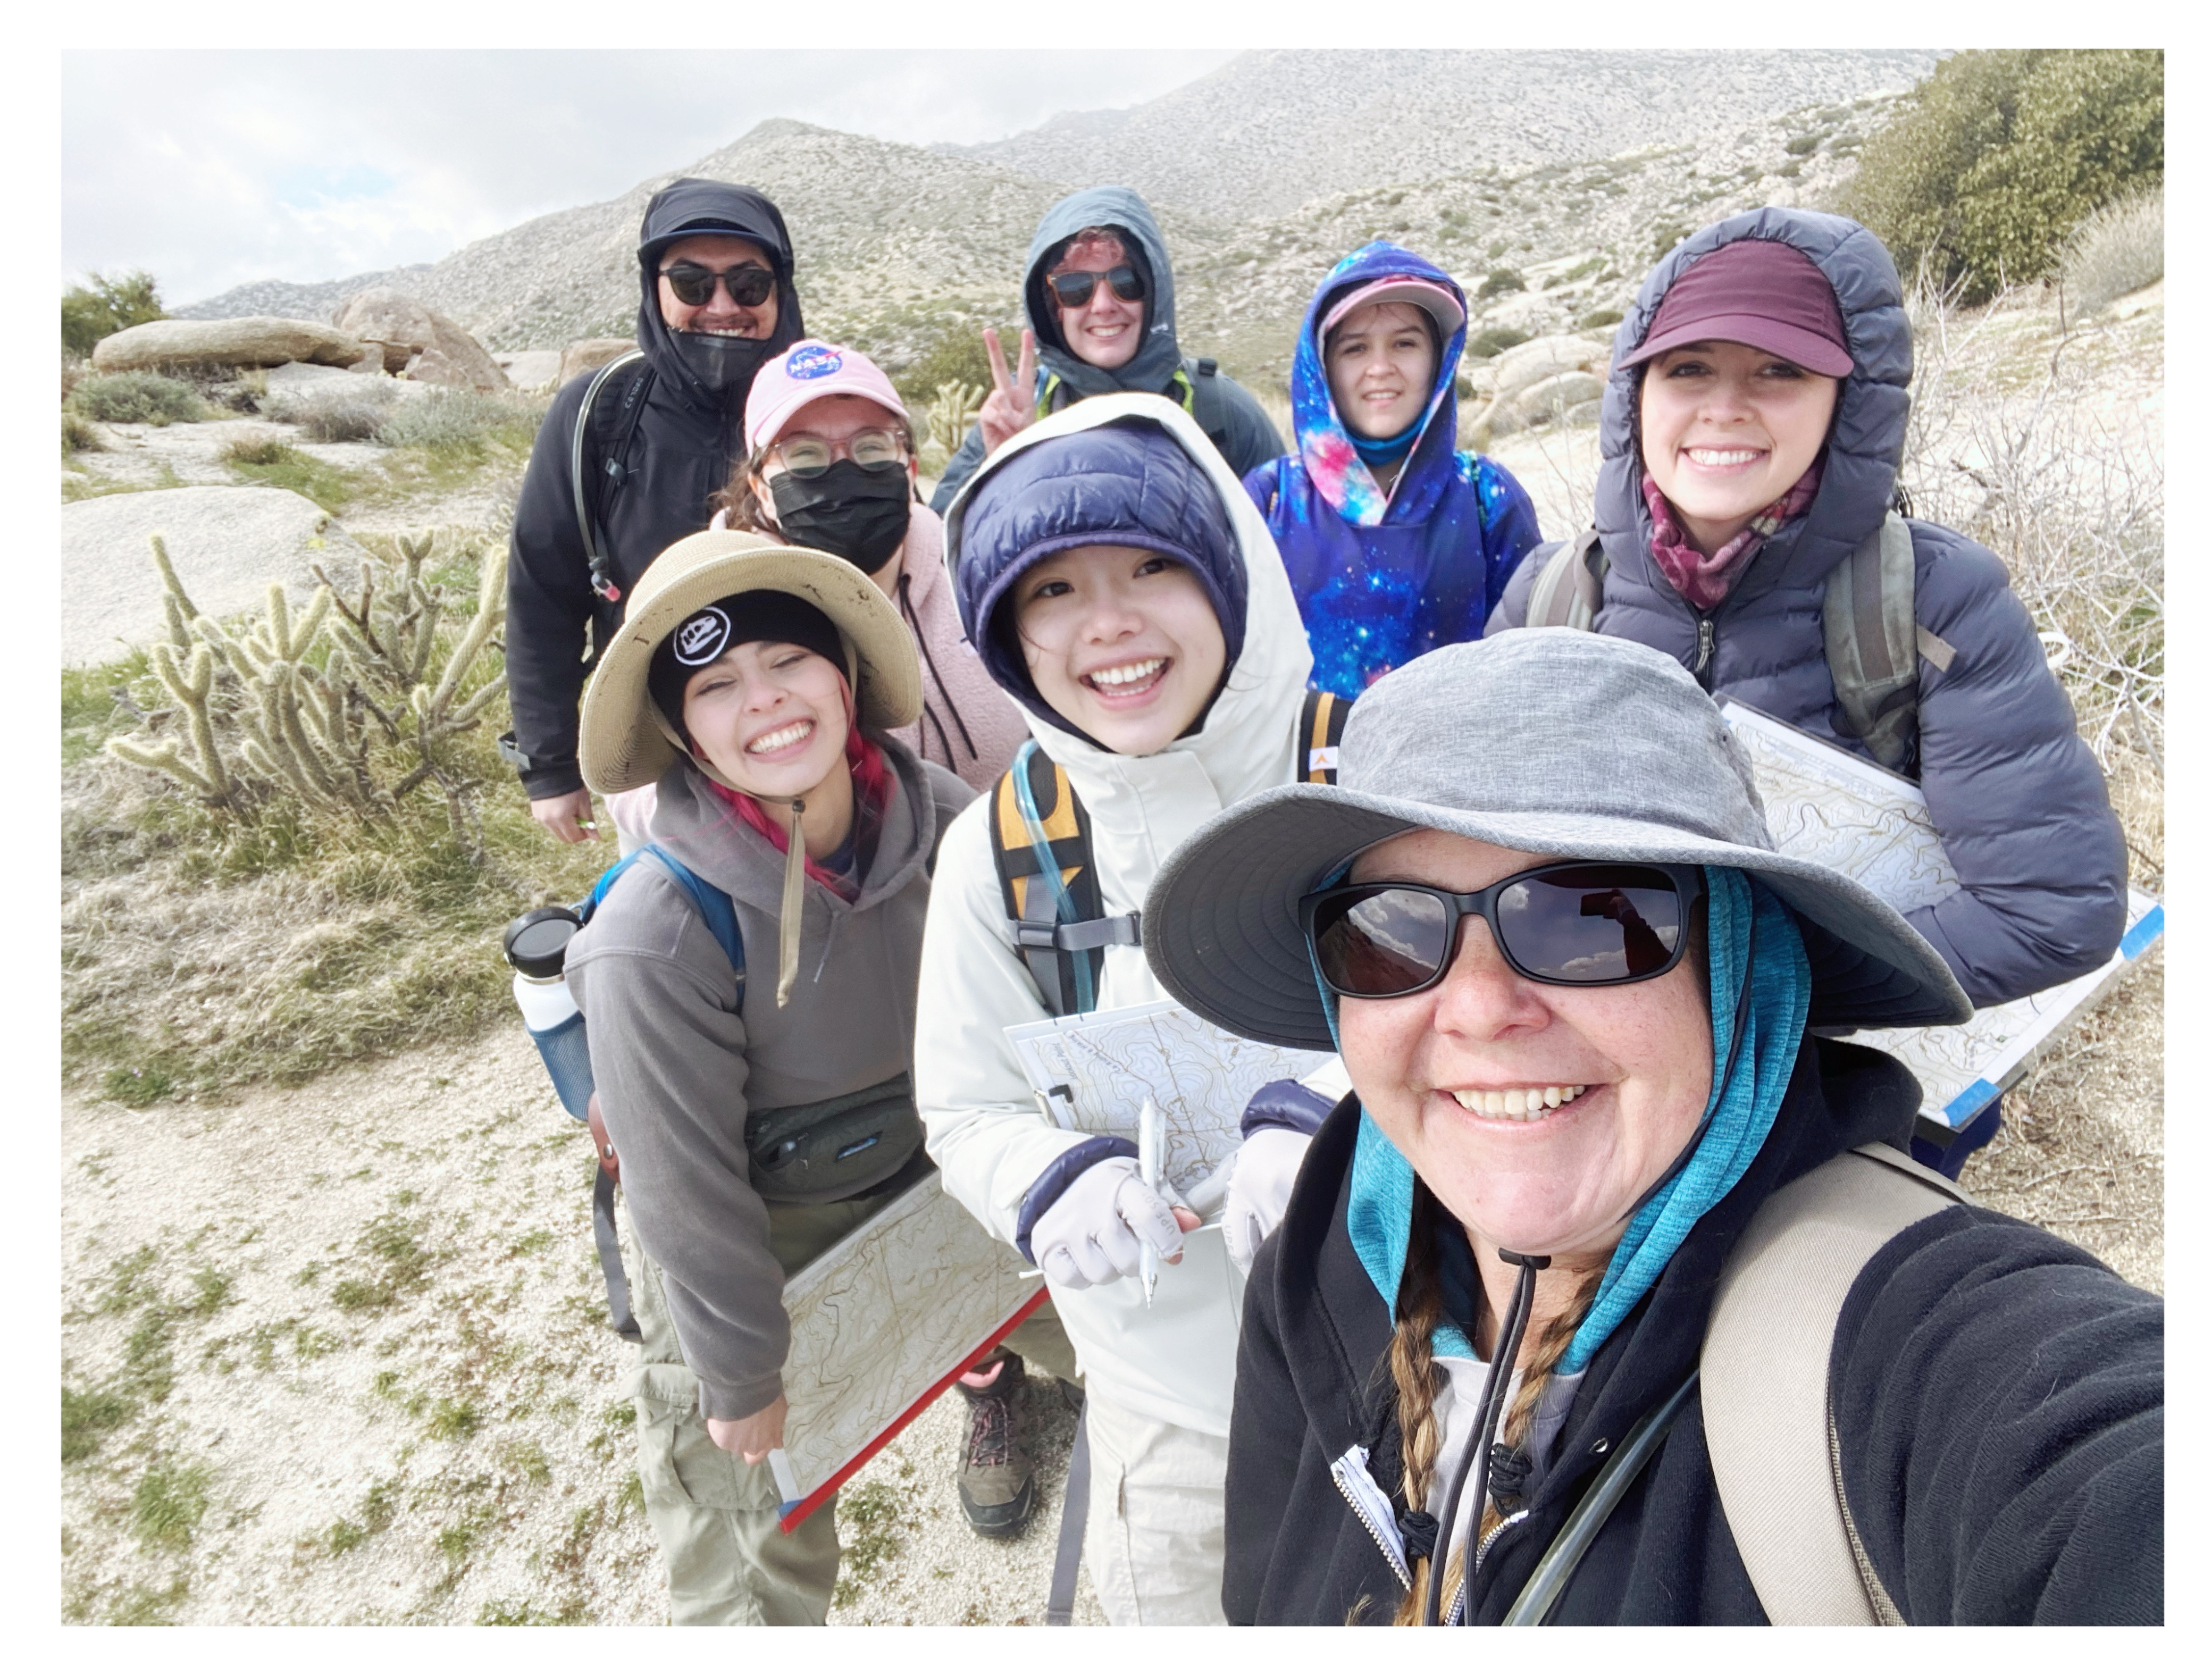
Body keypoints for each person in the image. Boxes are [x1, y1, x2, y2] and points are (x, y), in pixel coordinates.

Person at [1140, 631, 2163, 1626]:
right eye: (1391, 932)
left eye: (1589, 916)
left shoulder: (1923, 1354)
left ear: (1736, 966)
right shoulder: (1317, 1265)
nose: (1481, 1009)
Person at [1485, 209, 2127, 1172]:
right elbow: (1460, 861)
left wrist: (1743, 995)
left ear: (1849, 398)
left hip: (1840, 1110)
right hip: (1596, 1104)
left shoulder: (1933, 599)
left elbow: (2054, 906)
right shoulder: (1551, 598)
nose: (1725, 407)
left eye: (1779, 371)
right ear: (1634, 394)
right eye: (1688, 367)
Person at [914, 391, 1323, 1624]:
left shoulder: (1358, 773)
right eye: (1052, 590)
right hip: (1164, 1397)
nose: (1111, 624)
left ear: (1230, 577)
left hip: (1406, 1358)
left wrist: (1336, 1113)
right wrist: (1048, 1179)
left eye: (1153, 563)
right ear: (1004, 632)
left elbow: (1498, 1014)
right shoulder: (1002, 850)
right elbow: (964, 1101)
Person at [562, 532, 966, 1622]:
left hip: (942, 1163)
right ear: (682, 734)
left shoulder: (953, 823)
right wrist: (740, 1376)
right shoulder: (653, 934)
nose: (766, 704)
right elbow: (683, 1193)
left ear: (844, 676)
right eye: (716, 686)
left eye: (788, 662)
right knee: (753, 1541)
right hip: (756, 1213)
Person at [506, 179, 806, 845]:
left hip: (807, 728)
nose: (722, 306)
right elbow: (542, 593)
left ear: (781, 291)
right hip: (658, 744)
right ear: (656, 288)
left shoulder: (816, 406)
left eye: (749, 285)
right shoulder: (602, 412)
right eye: (693, 284)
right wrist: (549, 766)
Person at [705, 339, 1030, 792]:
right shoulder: (716, 605)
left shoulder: (971, 569)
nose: (844, 470)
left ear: (910, 467)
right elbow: (650, 794)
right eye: (804, 454)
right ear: (762, 489)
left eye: (872, 448)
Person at [1245, 240, 1543, 696]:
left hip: (1459, 763)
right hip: (1302, 767)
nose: (1380, 368)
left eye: (1405, 343)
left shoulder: (1488, 497)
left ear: (1438, 361)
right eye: (1355, 349)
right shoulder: (1271, 499)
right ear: (1321, 367)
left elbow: (1533, 666)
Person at [926, 186, 1285, 512]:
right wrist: (1001, 472)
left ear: (1155, 291)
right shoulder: (1018, 409)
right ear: (1053, 307)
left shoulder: (1221, 411)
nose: (1102, 305)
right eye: (1075, 287)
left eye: (1126, 282)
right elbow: (946, 564)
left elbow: (1289, 557)